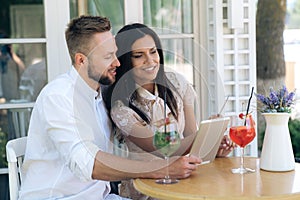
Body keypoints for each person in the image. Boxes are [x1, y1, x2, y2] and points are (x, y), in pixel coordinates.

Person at [19, 16, 201, 200]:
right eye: (108, 57)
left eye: (115, 53)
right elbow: (90, 164)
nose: (118, 63)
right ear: (81, 60)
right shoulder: (58, 97)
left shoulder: (101, 96)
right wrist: (163, 169)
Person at [105, 23, 234, 199]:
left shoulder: (176, 83)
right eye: (138, 55)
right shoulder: (121, 109)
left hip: (182, 181)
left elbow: (190, 137)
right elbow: (162, 149)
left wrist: (213, 146)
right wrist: (205, 134)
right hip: (148, 189)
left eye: (153, 51)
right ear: (126, 61)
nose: (150, 61)